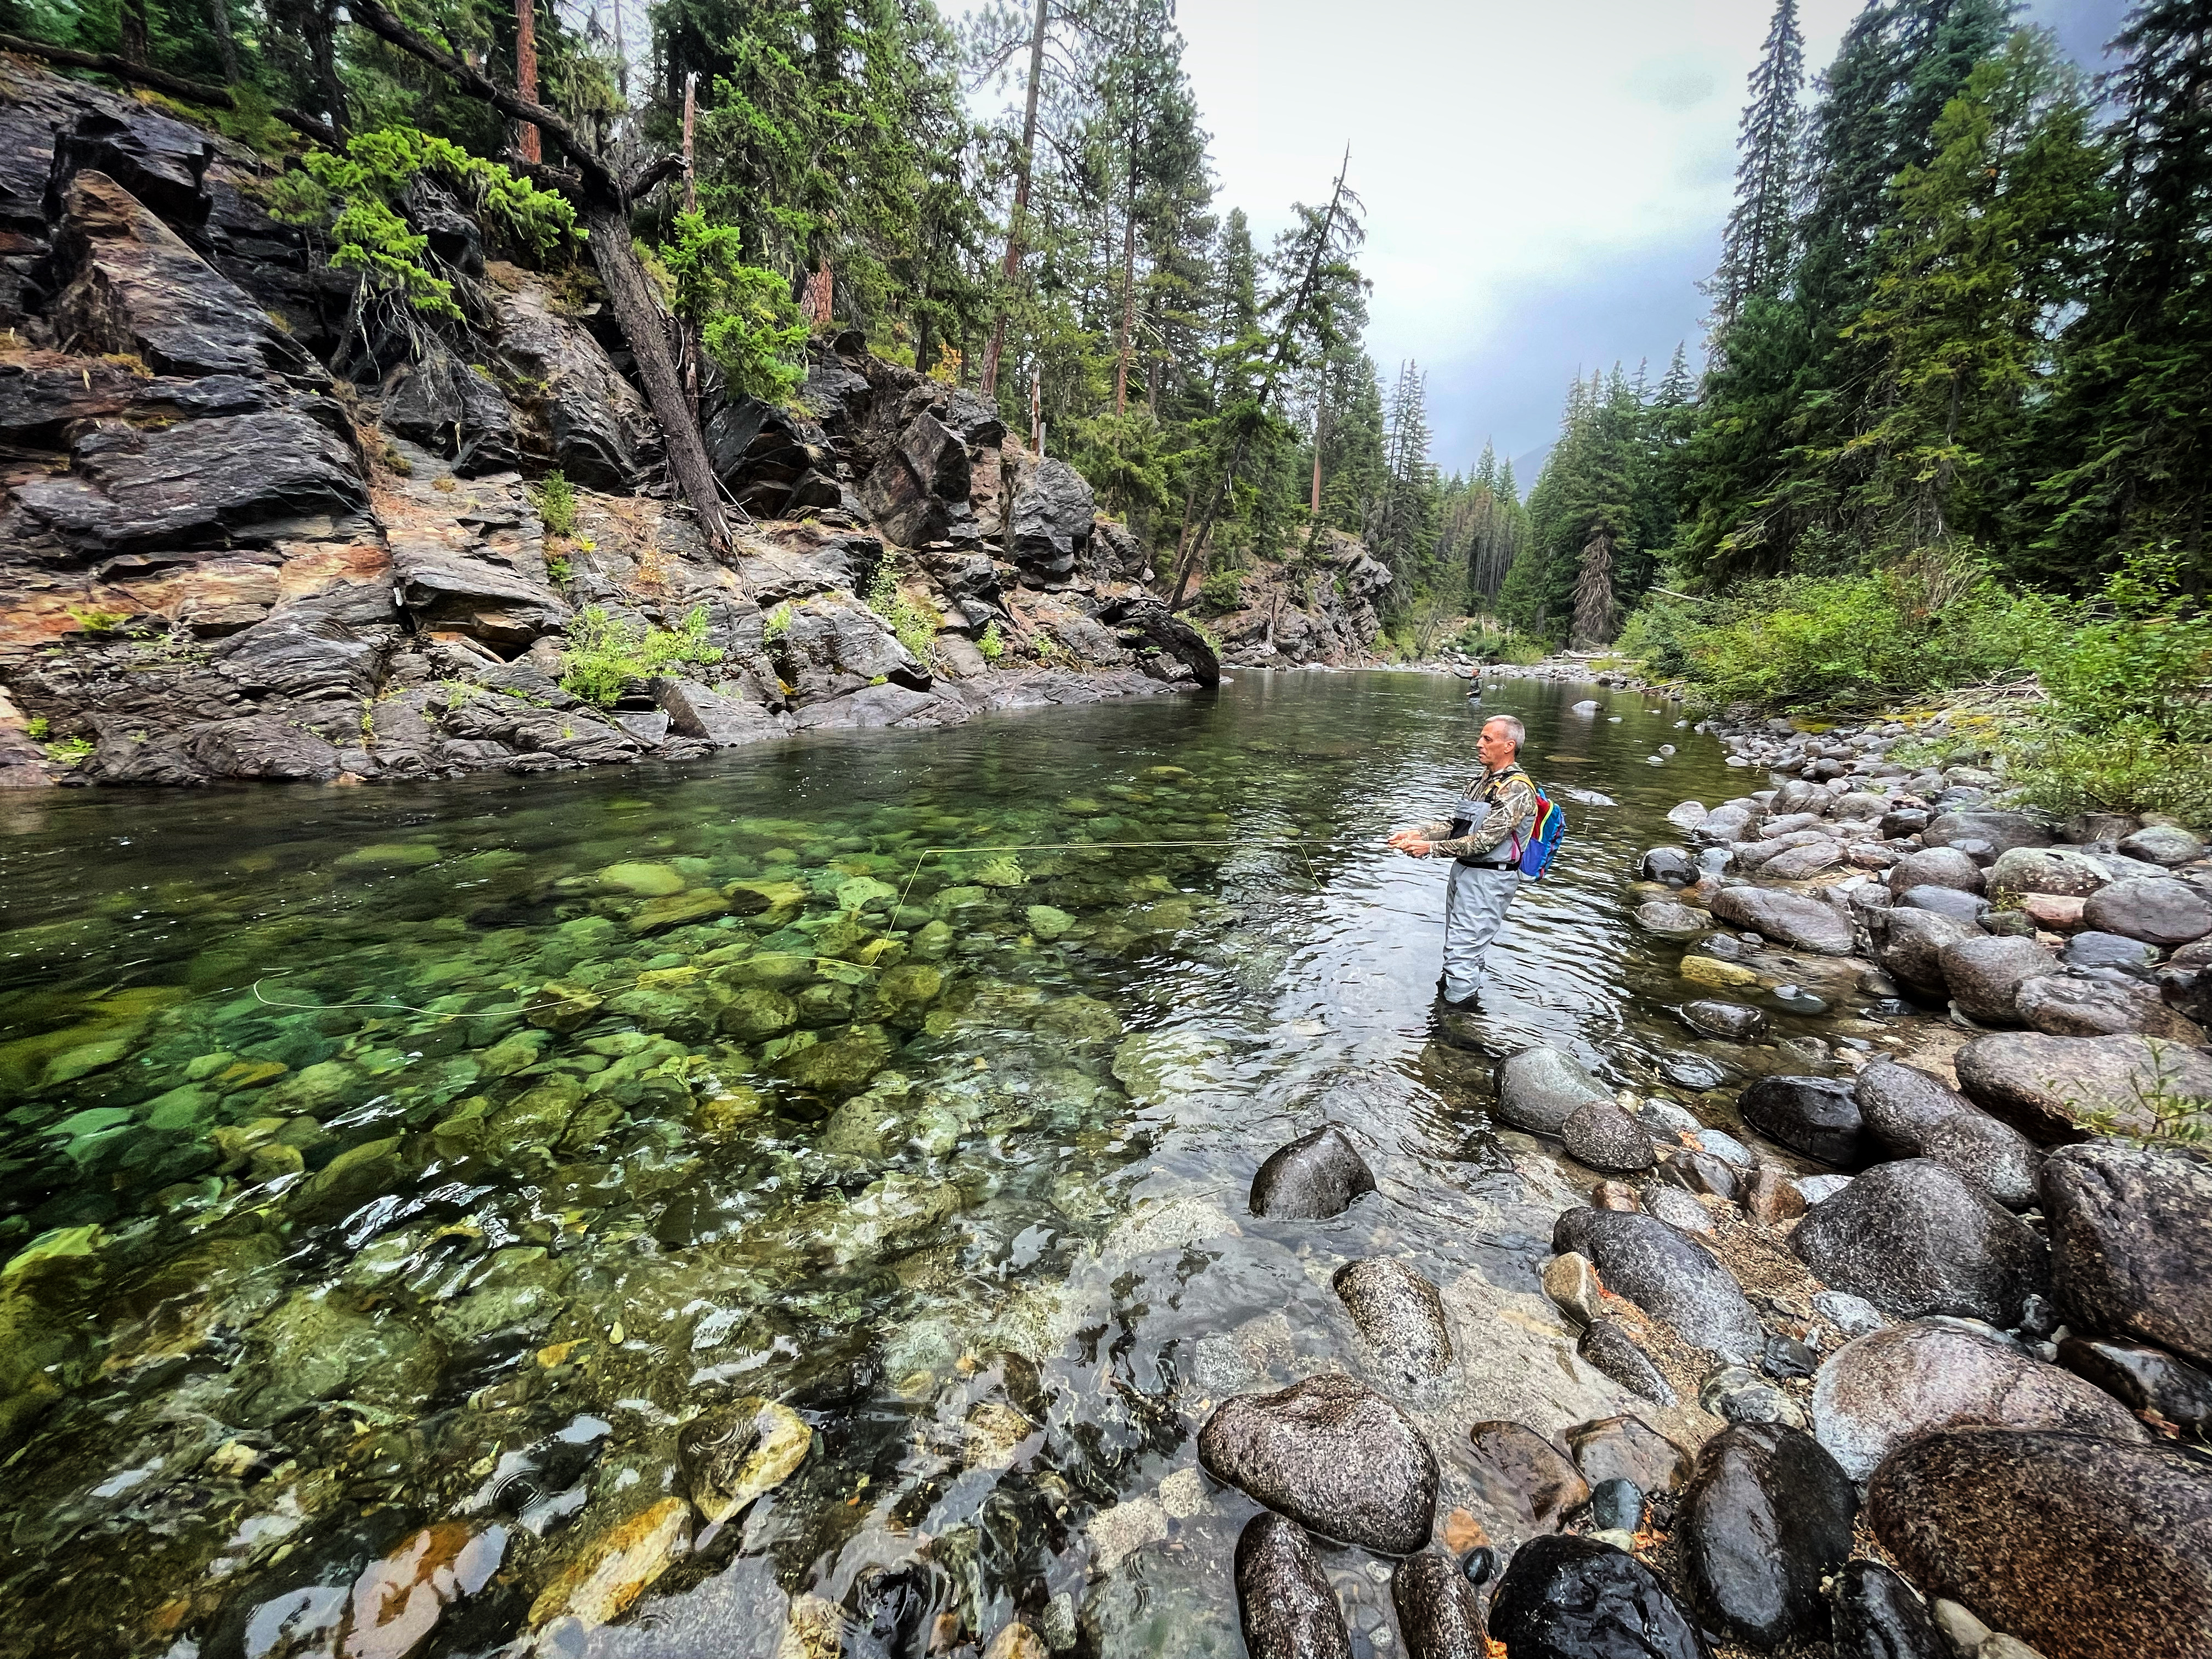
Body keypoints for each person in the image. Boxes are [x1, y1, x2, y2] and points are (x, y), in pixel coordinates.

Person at [1386, 714, 1536, 1008]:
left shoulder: (1516, 789)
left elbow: (1485, 841)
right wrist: (1418, 833)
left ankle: (1455, 1023)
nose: (1478, 744)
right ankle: (1456, 1000)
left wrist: (1430, 848)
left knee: (1462, 951)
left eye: (1487, 739)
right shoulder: (1481, 782)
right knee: (1460, 947)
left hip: (1491, 879)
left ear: (1509, 746)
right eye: (1481, 737)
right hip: (1464, 871)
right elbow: (1457, 825)